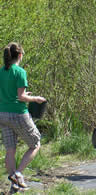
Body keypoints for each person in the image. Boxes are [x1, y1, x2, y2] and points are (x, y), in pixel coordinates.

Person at [0, 43, 46, 192]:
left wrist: (25, 96)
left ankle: (14, 184)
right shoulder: (20, 72)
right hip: (18, 113)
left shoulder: (1, 72)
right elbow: (20, 97)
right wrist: (36, 98)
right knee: (36, 143)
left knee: (10, 150)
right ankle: (19, 174)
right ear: (20, 55)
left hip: (2, 114)